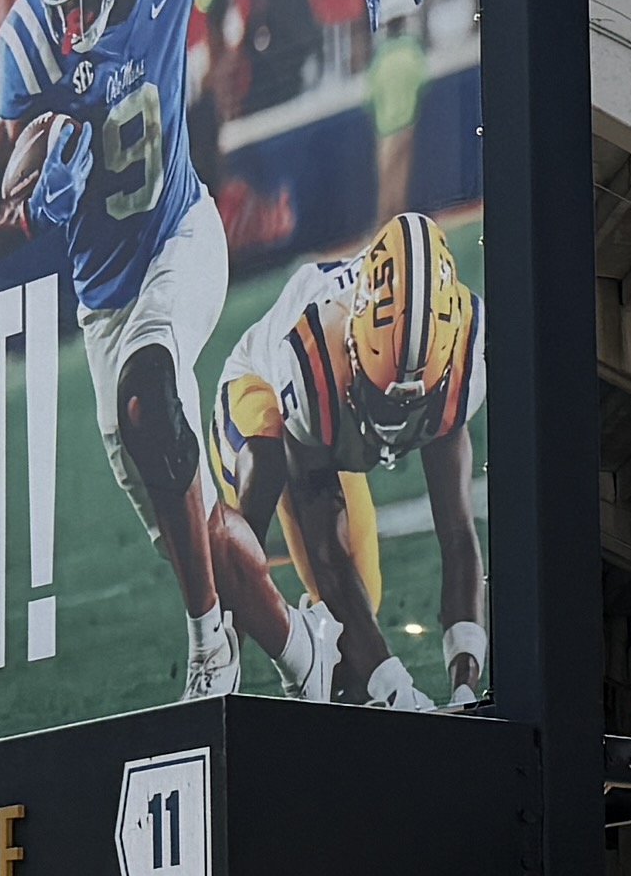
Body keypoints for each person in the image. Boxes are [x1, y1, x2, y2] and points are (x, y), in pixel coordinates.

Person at [0, 0, 428, 702]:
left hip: (183, 234)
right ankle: (311, 660)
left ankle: (208, 647)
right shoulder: (30, 39)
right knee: (205, 534)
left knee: (150, 391)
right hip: (104, 307)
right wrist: (27, 213)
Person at [208, 213, 489, 709]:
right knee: (260, 482)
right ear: (354, 350)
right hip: (259, 387)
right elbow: (326, 553)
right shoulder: (311, 362)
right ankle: (214, 667)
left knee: (349, 666)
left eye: (414, 406)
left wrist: (466, 683)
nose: (395, 422)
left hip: (337, 424)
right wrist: (397, 687)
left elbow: (457, 534)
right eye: (383, 401)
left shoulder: (457, 364)